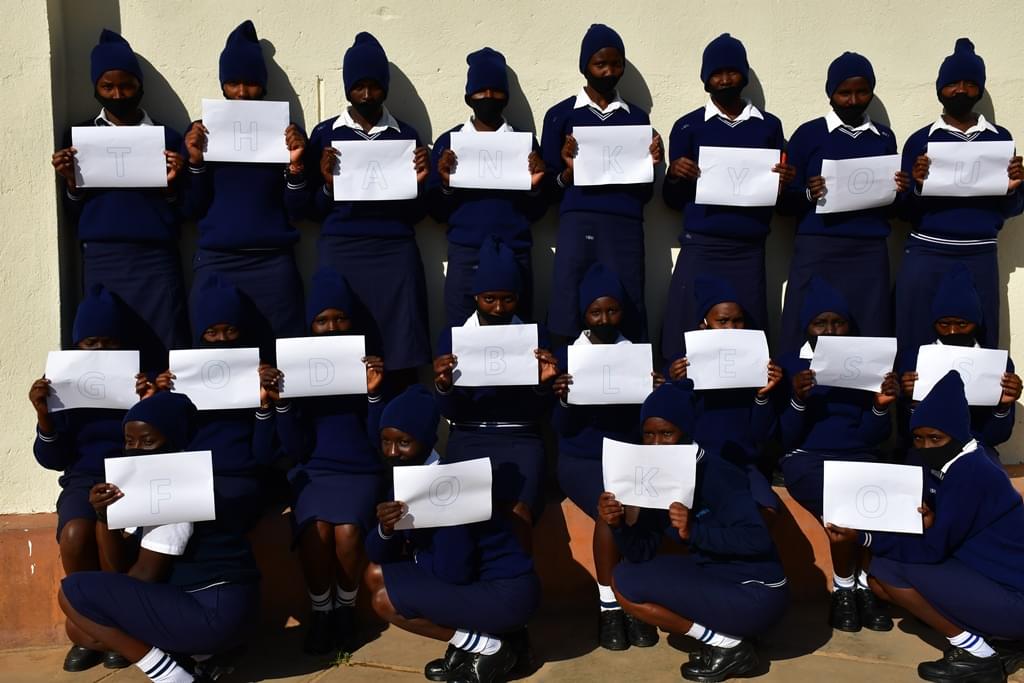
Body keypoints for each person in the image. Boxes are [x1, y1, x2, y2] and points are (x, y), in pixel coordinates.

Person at [828, 371, 1024, 683]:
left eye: (935, 438)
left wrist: (864, 537)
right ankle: (1001, 641)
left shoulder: (972, 473)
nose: (925, 445)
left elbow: (931, 551)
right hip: (994, 580)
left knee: (889, 570)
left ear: (958, 434)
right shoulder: (956, 463)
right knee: (881, 580)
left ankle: (977, 654)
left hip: (1015, 597)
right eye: (918, 438)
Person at [58, 391, 261, 683]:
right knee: (83, 625)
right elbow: (123, 564)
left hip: (215, 612)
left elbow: (143, 574)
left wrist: (110, 607)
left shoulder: (176, 488)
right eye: (130, 441)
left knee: (73, 593)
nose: (137, 450)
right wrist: (106, 520)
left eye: (149, 441)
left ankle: (171, 675)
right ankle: (198, 655)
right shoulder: (165, 485)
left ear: (176, 441)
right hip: (217, 610)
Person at [596, 381, 789, 682]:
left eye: (667, 434)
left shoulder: (719, 473)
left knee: (628, 581)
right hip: (716, 575)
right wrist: (618, 524)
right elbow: (640, 553)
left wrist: (694, 531)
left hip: (758, 591)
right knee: (624, 579)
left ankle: (728, 645)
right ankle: (729, 636)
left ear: (685, 433)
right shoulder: (652, 475)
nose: (657, 445)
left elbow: (758, 538)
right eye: (649, 435)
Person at [365, 385, 541, 683]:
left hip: (506, 593)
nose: (393, 452)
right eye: (386, 441)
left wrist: (419, 558)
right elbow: (377, 554)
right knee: (374, 573)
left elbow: (454, 572)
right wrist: (385, 529)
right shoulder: (408, 477)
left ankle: (489, 646)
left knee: (384, 601)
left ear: (426, 440)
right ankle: (475, 644)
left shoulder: (447, 485)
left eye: (404, 442)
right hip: (474, 580)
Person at [51, 29, 189, 371]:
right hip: (102, 257)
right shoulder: (78, 138)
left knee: (163, 344)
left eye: (126, 85)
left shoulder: (168, 136)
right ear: (95, 88)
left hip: (155, 259)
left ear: (139, 85)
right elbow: (72, 212)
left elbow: (185, 209)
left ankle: (161, 420)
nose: (118, 94)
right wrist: (72, 183)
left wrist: (172, 186)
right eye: (107, 87)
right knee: (107, 347)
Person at [30, 285, 149, 672]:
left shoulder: (137, 382)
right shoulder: (63, 388)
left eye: (108, 343)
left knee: (110, 535)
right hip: (82, 479)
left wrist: (150, 402)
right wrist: (44, 414)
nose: (98, 351)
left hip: (132, 476)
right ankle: (89, 625)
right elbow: (52, 459)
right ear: (77, 346)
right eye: (90, 342)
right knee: (74, 534)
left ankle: (118, 625)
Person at [268, 267, 386, 654]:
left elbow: (376, 442)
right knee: (315, 532)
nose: (332, 327)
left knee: (349, 532)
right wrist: (283, 406)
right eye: (322, 321)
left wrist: (373, 395)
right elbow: (296, 450)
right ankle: (321, 611)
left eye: (340, 318)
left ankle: (345, 610)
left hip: (360, 470)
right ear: (310, 326)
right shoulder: (298, 371)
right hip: (314, 470)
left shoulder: (368, 365)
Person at [305, 32, 431, 391]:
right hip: (341, 251)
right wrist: (328, 184)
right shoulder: (325, 134)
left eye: (374, 86)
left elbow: (418, 214)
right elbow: (308, 211)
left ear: (385, 88)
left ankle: (401, 420)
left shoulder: (405, 135)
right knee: (344, 349)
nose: (365, 94)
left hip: (394, 253)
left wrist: (421, 183)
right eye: (357, 86)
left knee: (400, 349)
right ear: (346, 88)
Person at [661, 33, 794, 363]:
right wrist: (675, 175)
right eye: (716, 74)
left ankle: (749, 406)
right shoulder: (688, 127)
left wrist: (784, 185)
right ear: (705, 79)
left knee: (746, 337)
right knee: (686, 332)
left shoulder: (768, 127)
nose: (724, 80)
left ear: (744, 76)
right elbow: (672, 201)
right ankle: (683, 400)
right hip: (702, 244)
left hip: (748, 250)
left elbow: (781, 200)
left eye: (732, 72)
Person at [181, 20, 309, 361]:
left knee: (281, 359)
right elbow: (191, 208)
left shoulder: (287, 134)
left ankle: (277, 415)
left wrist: (295, 166)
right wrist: (195, 162)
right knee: (215, 363)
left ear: (264, 86)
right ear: (221, 85)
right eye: (233, 83)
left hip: (273, 263)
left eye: (251, 84)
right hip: (217, 261)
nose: (241, 92)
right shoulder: (202, 133)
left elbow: (298, 211)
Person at [894, 38, 1024, 373]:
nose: (961, 91)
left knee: (980, 343)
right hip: (926, 254)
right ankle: (914, 423)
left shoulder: (999, 138)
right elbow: (902, 212)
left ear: (980, 89)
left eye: (970, 84)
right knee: (915, 340)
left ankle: (974, 424)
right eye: (952, 83)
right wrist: (918, 186)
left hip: (979, 254)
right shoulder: (921, 140)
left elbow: (1012, 209)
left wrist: (1013, 188)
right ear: (940, 89)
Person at [778, 275, 899, 633]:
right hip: (807, 458)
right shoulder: (787, 365)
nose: (830, 331)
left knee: (876, 502)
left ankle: (862, 587)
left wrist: (880, 406)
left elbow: (872, 437)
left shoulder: (866, 363)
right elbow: (783, 437)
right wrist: (797, 400)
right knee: (845, 512)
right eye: (820, 323)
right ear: (807, 327)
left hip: (859, 456)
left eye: (838, 322)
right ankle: (846, 589)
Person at [778, 52, 910, 354]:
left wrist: (900, 190)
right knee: (805, 326)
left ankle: (866, 401)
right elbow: (783, 202)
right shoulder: (808, 135)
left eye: (862, 91)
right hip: (818, 248)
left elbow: (891, 208)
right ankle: (796, 397)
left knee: (867, 328)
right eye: (844, 92)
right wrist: (808, 194)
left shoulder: (883, 137)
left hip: (868, 252)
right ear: (830, 94)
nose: (853, 100)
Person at [433, 237, 559, 548]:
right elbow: (451, 413)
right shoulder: (453, 338)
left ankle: (515, 584)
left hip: (523, 439)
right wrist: (444, 386)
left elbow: (538, 411)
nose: (499, 308)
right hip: (469, 436)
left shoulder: (536, 337)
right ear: (475, 296)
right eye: (489, 299)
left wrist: (543, 385)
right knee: (466, 515)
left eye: (508, 299)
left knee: (519, 513)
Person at [551, 263, 651, 650]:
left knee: (629, 506)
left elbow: (648, 425)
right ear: (584, 314)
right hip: (582, 460)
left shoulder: (636, 352)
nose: (606, 319)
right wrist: (563, 397)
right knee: (610, 508)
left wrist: (654, 392)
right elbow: (562, 429)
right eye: (597, 312)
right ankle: (611, 604)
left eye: (613, 310)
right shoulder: (569, 356)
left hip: (628, 457)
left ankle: (630, 603)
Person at [541, 23, 662, 343]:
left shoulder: (636, 118)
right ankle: (566, 379)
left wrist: (650, 166)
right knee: (571, 295)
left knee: (628, 299)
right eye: (600, 64)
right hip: (577, 224)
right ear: (585, 67)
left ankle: (631, 375)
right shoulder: (560, 116)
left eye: (616, 64)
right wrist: (567, 172)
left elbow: (645, 193)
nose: (609, 72)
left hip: (624, 226)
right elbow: (547, 190)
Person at [429, 47, 547, 325]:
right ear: (468, 97)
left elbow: (538, 211)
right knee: (461, 337)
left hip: (515, 251)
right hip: (466, 252)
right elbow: (435, 211)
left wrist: (535, 187)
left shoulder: (524, 142)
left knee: (518, 340)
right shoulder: (450, 142)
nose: (489, 98)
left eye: (497, 91)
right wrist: (446, 184)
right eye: (481, 91)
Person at [153, 272, 277, 533]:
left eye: (230, 330)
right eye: (211, 333)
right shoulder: (180, 377)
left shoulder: (257, 374)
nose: (222, 340)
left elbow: (265, 454)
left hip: (240, 477)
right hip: (189, 476)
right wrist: (162, 397)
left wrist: (265, 405)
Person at [665, 274, 783, 514]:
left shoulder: (758, 367)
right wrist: (677, 387)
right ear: (704, 324)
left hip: (742, 464)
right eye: (723, 321)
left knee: (767, 510)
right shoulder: (683, 366)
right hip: (698, 463)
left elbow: (761, 435)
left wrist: (763, 395)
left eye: (738, 321)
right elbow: (672, 427)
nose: (731, 328)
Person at [899, 263, 1021, 452]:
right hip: (927, 449)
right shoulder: (914, 360)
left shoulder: (998, 364)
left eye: (962, 324)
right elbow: (907, 433)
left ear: (976, 323)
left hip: (976, 450)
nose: (953, 331)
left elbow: (996, 436)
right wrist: (911, 402)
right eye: (944, 324)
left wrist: (1003, 408)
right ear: (934, 323)